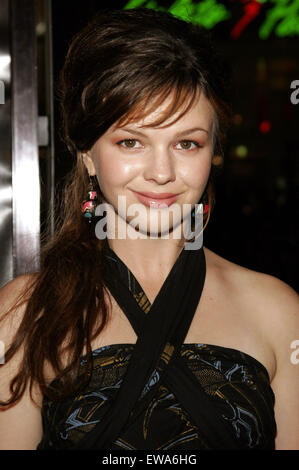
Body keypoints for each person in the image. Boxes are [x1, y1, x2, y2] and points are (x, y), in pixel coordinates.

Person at [0, 7, 298, 450]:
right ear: (87, 153)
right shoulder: (24, 313)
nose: (162, 172)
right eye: (131, 142)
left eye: (186, 143)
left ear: (213, 150)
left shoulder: (278, 310)